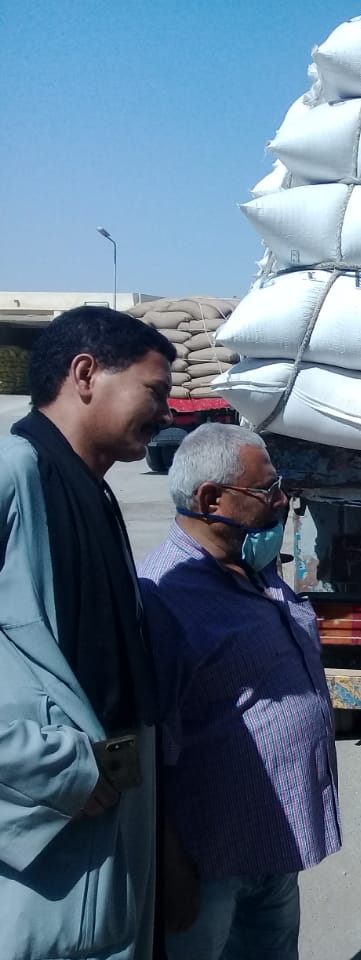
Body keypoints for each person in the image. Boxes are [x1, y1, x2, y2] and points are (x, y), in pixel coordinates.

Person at [0, 306, 175, 959]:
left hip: (107, 826)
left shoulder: (94, 495)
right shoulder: (14, 476)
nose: (166, 413)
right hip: (42, 831)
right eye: (154, 392)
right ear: (85, 374)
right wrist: (49, 767)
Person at [139, 423, 341, 960]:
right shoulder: (163, 597)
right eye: (267, 490)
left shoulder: (254, 568)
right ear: (212, 500)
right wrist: (170, 863)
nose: (281, 501)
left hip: (273, 836)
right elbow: (147, 747)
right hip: (208, 859)